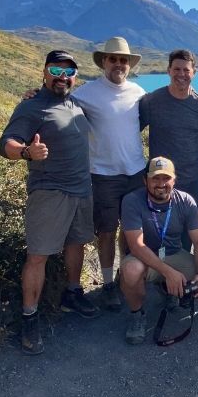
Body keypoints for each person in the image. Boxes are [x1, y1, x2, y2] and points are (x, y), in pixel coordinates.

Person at [0, 50, 100, 355]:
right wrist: (27, 152)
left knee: (76, 244)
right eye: (55, 70)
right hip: (50, 193)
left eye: (68, 71)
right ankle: (30, 317)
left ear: (75, 76)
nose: (62, 76)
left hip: (81, 189)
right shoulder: (32, 106)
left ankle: (71, 293)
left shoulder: (75, 103)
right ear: (44, 73)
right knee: (38, 256)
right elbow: (6, 144)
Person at [72, 36, 147, 311]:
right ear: (104, 61)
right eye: (113, 59)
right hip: (102, 174)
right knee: (106, 230)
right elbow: (57, 103)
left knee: (131, 231)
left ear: (129, 65)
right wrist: (35, 94)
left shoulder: (138, 93)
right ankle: (107, 284)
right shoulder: (85, 93)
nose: (118, 64)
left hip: (135, 172)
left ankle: (125, 275)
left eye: (123, 60)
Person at [119, 157, 198, 344]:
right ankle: (137, 314)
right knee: (131, 271)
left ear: (174, 180)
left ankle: (168, 289)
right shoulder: (132, 201)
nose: (161, 184)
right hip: (143, 256)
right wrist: (169, 273)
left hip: (172, 253)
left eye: (166, 178)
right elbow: (136, 246)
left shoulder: (186, 201)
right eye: (155, 179)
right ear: (145, 181)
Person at [139, 49, 198, 212]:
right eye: (177, 69)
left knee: (189, 229)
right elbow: (132, 132)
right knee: (159, 230)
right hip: (160, 179)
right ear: (168, 70)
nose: (181, 74)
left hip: (192, 180)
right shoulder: (151, 101)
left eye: (186, 70)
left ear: (194, 72)